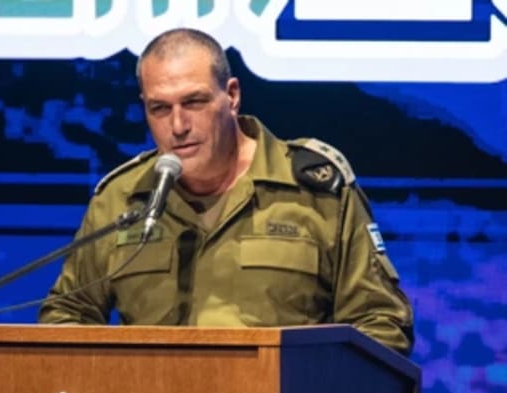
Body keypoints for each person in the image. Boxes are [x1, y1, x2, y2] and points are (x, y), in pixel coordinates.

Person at [38, 28, 414, 356]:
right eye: (160, 108)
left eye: (194, 102)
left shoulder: (317, 191)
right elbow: (68, 314)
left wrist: (307, 391)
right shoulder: (121, 198)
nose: (178, 125)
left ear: (232, 96)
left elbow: (380, 324)